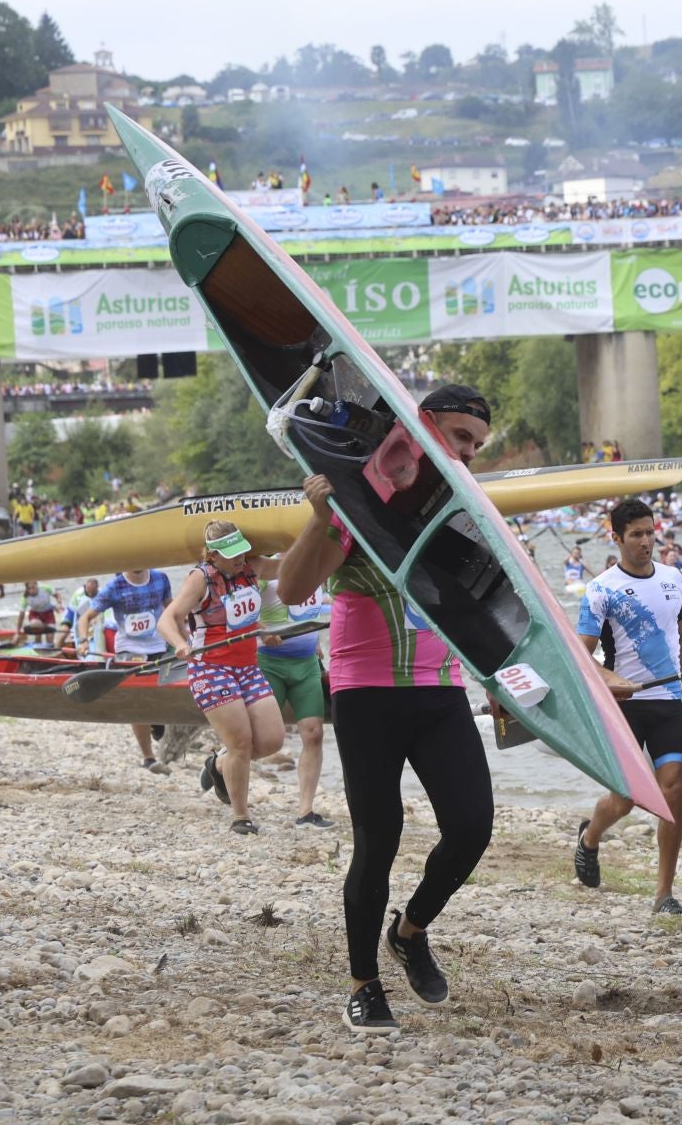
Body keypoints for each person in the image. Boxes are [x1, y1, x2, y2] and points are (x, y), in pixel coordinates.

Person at [278, 384, 497, 1034]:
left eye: (476, 446)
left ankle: (410, 931)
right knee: (380, 840)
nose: (467, 453)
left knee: (472, 826)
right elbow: (293, 589)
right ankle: (364, 983)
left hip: (440, 689)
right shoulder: (361, 500)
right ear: (421, 427)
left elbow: (488, 608)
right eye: (459, 437)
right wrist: (321, 518)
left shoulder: (461, 511)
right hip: (365, 691)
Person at [573, 497, 682, 917]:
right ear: (616, 538)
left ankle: (663, 894)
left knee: (673, 790)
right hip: (625, 705)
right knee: (627, 799)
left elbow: (678, 639)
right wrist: (612, 680)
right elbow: (581, 656)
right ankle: (590, 838)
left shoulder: (673, 578)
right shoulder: (600, 590)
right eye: (636, 535)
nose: (646, 541)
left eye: (650, 532)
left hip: (666, 703)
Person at [159, 523, 287, 834]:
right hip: (211, 669)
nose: (240, 558)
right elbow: (168, 618)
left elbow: (286, 566)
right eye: (232, 556)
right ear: (213, 555)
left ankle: (217, 764)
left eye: (242, 551)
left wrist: (263, 633)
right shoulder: (200, 578)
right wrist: (179, 643)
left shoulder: (252, 565)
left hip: (247, 667)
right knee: (241, 743)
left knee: (271, 740)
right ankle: (240, 817)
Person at [78, 568, 175, 769]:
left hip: (158, 646)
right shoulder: (114, 587)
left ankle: (157, 723)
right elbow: (85, 617)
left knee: (158, 699)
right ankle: (148, 757)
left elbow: (173, 610)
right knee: (136, 701)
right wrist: (83, 640)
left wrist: (188, 635)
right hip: (128, 651)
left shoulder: (160, 579)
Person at [258, 572, 333, 827]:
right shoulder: (267, 568)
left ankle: (305, 812)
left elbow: (309, 613)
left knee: (313, 734)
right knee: (262, 737)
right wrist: (261, 630)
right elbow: (237, 613)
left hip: (307, 664)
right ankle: (221, 763)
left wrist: (315, 644)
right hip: (269, 663)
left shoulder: (319, 567)